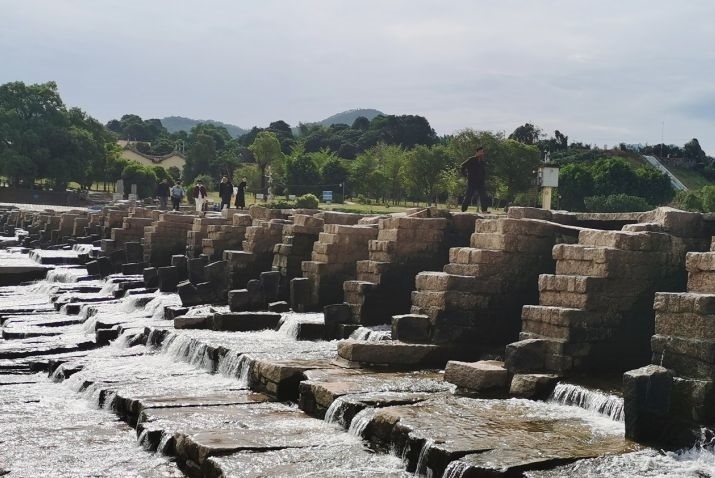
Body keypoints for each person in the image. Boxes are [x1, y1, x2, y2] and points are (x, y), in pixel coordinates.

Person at [460, 147, 489, 213]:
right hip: (472, 181)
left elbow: (483, 171)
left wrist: (484, 178)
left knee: (484, 195)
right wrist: (465, 175)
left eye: (482, 152)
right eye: (480, 152)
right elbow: (462, 166)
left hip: (481, 182)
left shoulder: (482, 161)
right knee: (469, 195)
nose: (481, 153)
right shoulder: (471, 159)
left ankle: (484, 210)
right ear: (476, 152)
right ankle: (463, 210)